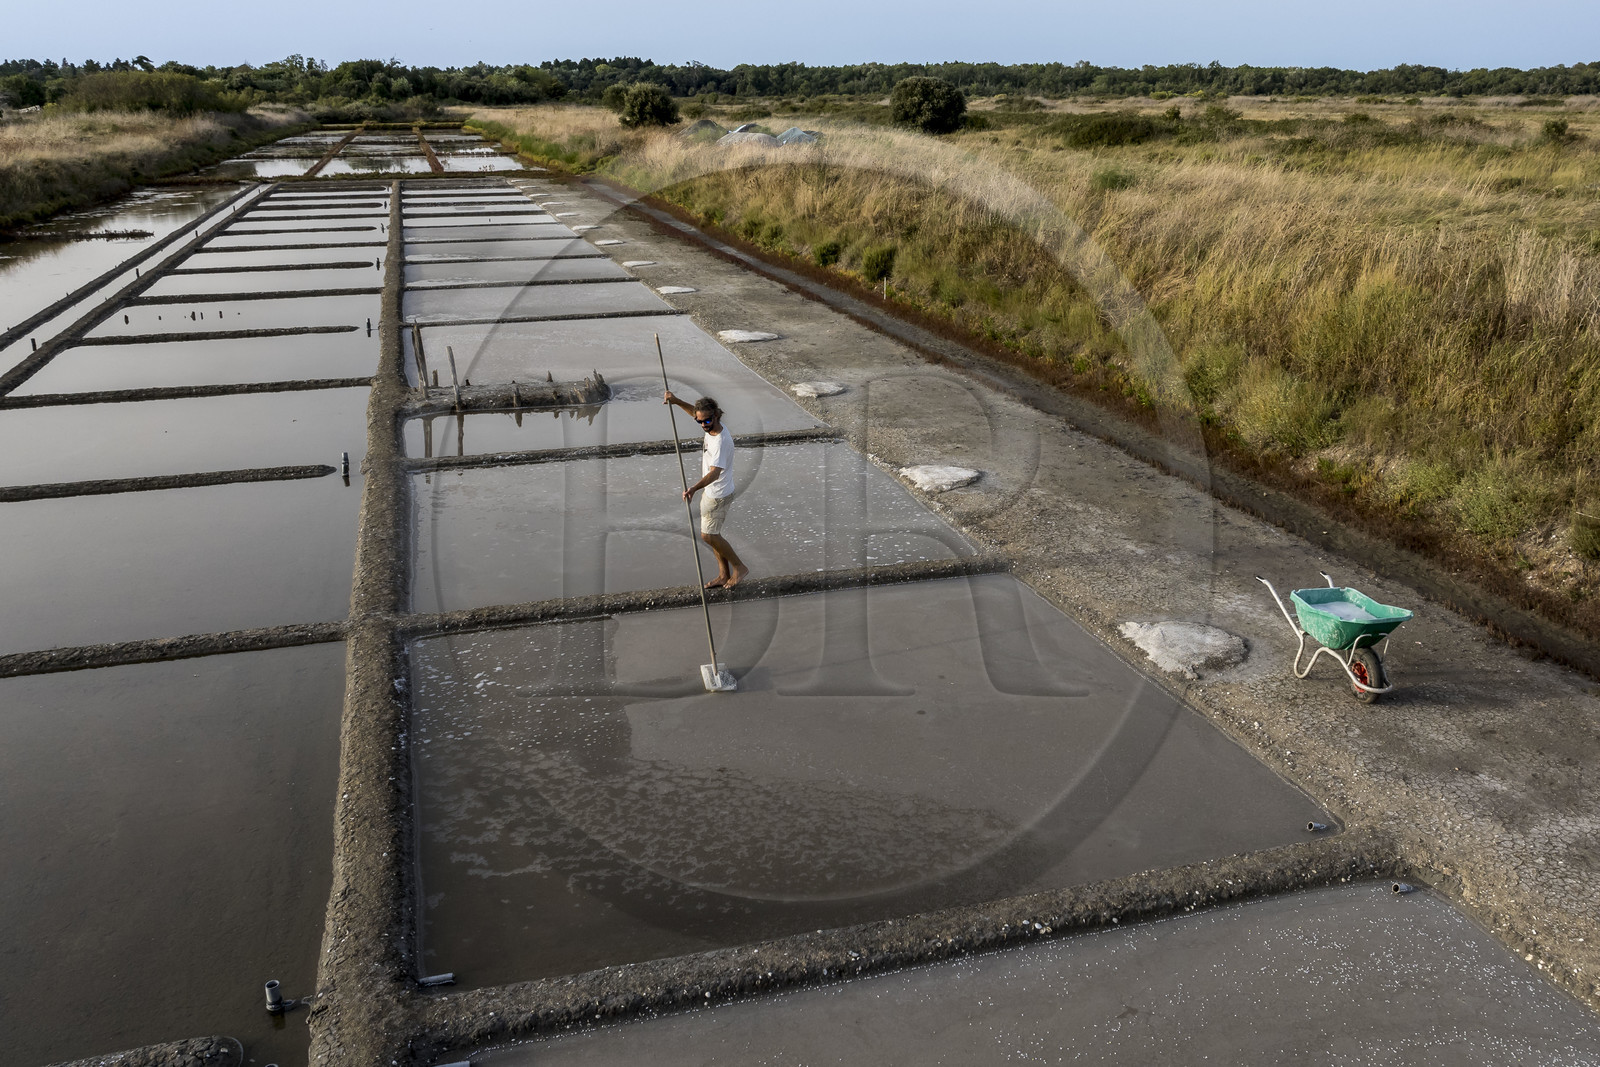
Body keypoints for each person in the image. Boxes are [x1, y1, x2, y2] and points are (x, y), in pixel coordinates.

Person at [664, 391, 748, 589]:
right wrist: (676, 401)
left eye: (707, 421)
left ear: (716, 416)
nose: (703, 425)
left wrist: (693, 487)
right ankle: (723, 574)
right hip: (710, 492)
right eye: (699, 422)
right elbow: (694, 412)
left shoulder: (720, 441)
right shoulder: (709, 425)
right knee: (712, 534)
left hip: (718, 493)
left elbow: (714, 474)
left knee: (709, 536)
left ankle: (740, 567)